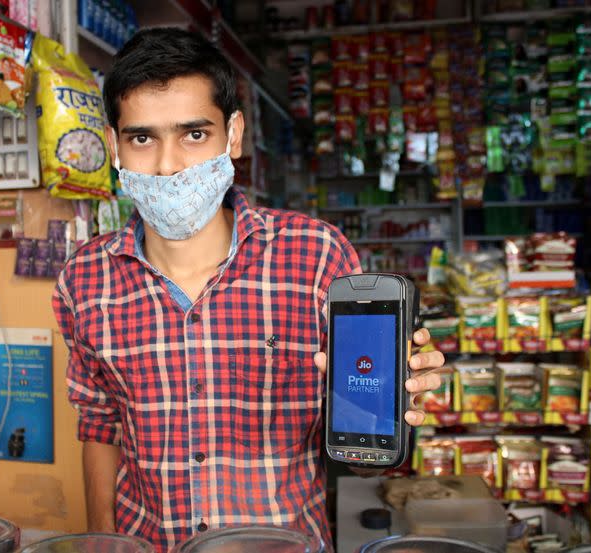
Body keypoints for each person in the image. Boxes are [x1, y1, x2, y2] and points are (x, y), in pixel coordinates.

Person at [52, 27, 445, 552]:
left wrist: (386, 405)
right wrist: (103, 544)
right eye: (143, 138)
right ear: (113, 145)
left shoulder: (316, 258)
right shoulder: (84, 279)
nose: (168, 166)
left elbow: (357, 440)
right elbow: (100, 429)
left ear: (232, 135)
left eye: (194, 135)